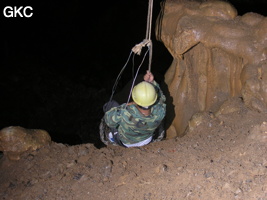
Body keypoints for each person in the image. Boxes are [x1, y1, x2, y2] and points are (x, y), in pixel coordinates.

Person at [101, 70, 166, 147]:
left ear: (135, 99)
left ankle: (113, 137)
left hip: (126, 143)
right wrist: (152, 83)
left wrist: (126, 105)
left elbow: (109, 121)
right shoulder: (160, 111)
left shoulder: (124, 112)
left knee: (111, 104)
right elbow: (161, 98)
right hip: (147, 140)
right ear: (154, 99)